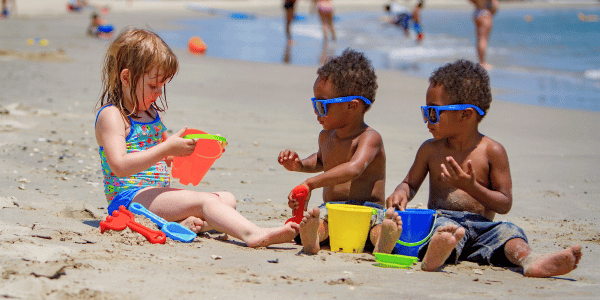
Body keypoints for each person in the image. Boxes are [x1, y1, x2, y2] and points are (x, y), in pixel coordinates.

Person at [95, 28, 299, 248]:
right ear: (126, 77)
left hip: (156, 195)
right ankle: (253, 234)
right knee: (206, 202)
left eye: (162, 86)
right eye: (153, 86)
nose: (157, 93)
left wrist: (196, 148)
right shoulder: (113, 116)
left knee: (227, 199)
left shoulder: (151, 113)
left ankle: (187, 224)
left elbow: (168, 157)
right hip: (129, 200)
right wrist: (166, 149)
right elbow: (120, 166)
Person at [386, 59, 582, 277]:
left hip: (483, 228)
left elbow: (504, 203)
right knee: (441, 230)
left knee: (510, 232)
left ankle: (531, 260)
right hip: (445, 221)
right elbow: (409, 184)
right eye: (425, 112)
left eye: (433, 112)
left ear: (466, 114)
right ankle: (437, 254)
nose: (427, 120)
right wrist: (400, 192)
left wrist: (471, 187)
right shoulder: (430, 150)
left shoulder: (492, 151)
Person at [278, 48, 403, 255]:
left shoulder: (369, 138)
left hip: (367, 209)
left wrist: (311, 183)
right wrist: (299, 165)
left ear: (352, 106)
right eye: (315, 104)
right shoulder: (325, 136)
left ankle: (383, 241)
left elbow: (354, 168)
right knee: (320, 224)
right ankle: (312, 238)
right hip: (333, 208)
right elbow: (320, 161)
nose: (317, 112)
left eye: (323, 105)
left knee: (376, 229)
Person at [468, 0, 498, 69]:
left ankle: (481, 61)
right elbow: (495, 5)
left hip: (477, 11)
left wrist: (477, 4)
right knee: (483, 39)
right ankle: (483, 62)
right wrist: (492, 12)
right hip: (485, 13)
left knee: (479, 39)